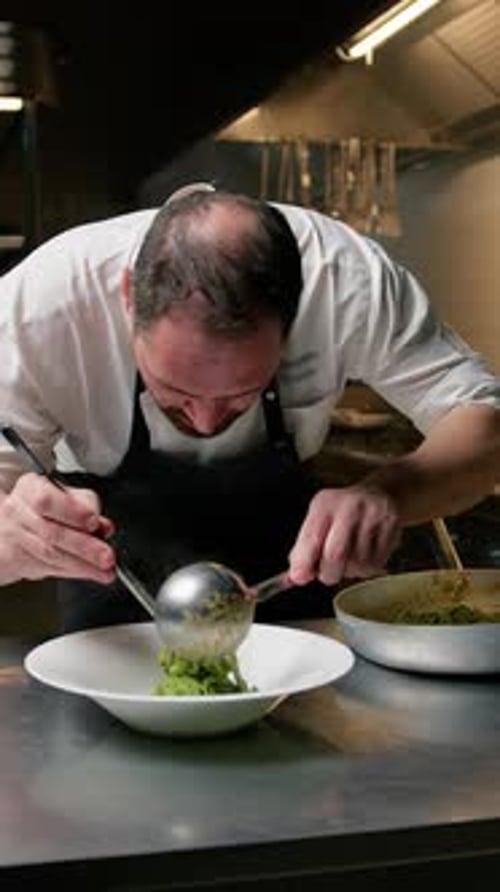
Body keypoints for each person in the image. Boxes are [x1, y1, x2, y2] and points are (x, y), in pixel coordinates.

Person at [0, 184, 499, 631]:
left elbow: (484, 421)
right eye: (176, 392)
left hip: (290, 573)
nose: (205, 422)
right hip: (112, 586)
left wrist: (389, 493)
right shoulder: (41, 310)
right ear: (129, 298)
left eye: (240, 395)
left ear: (295, 316)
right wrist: (16, 540)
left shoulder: (343, 280)